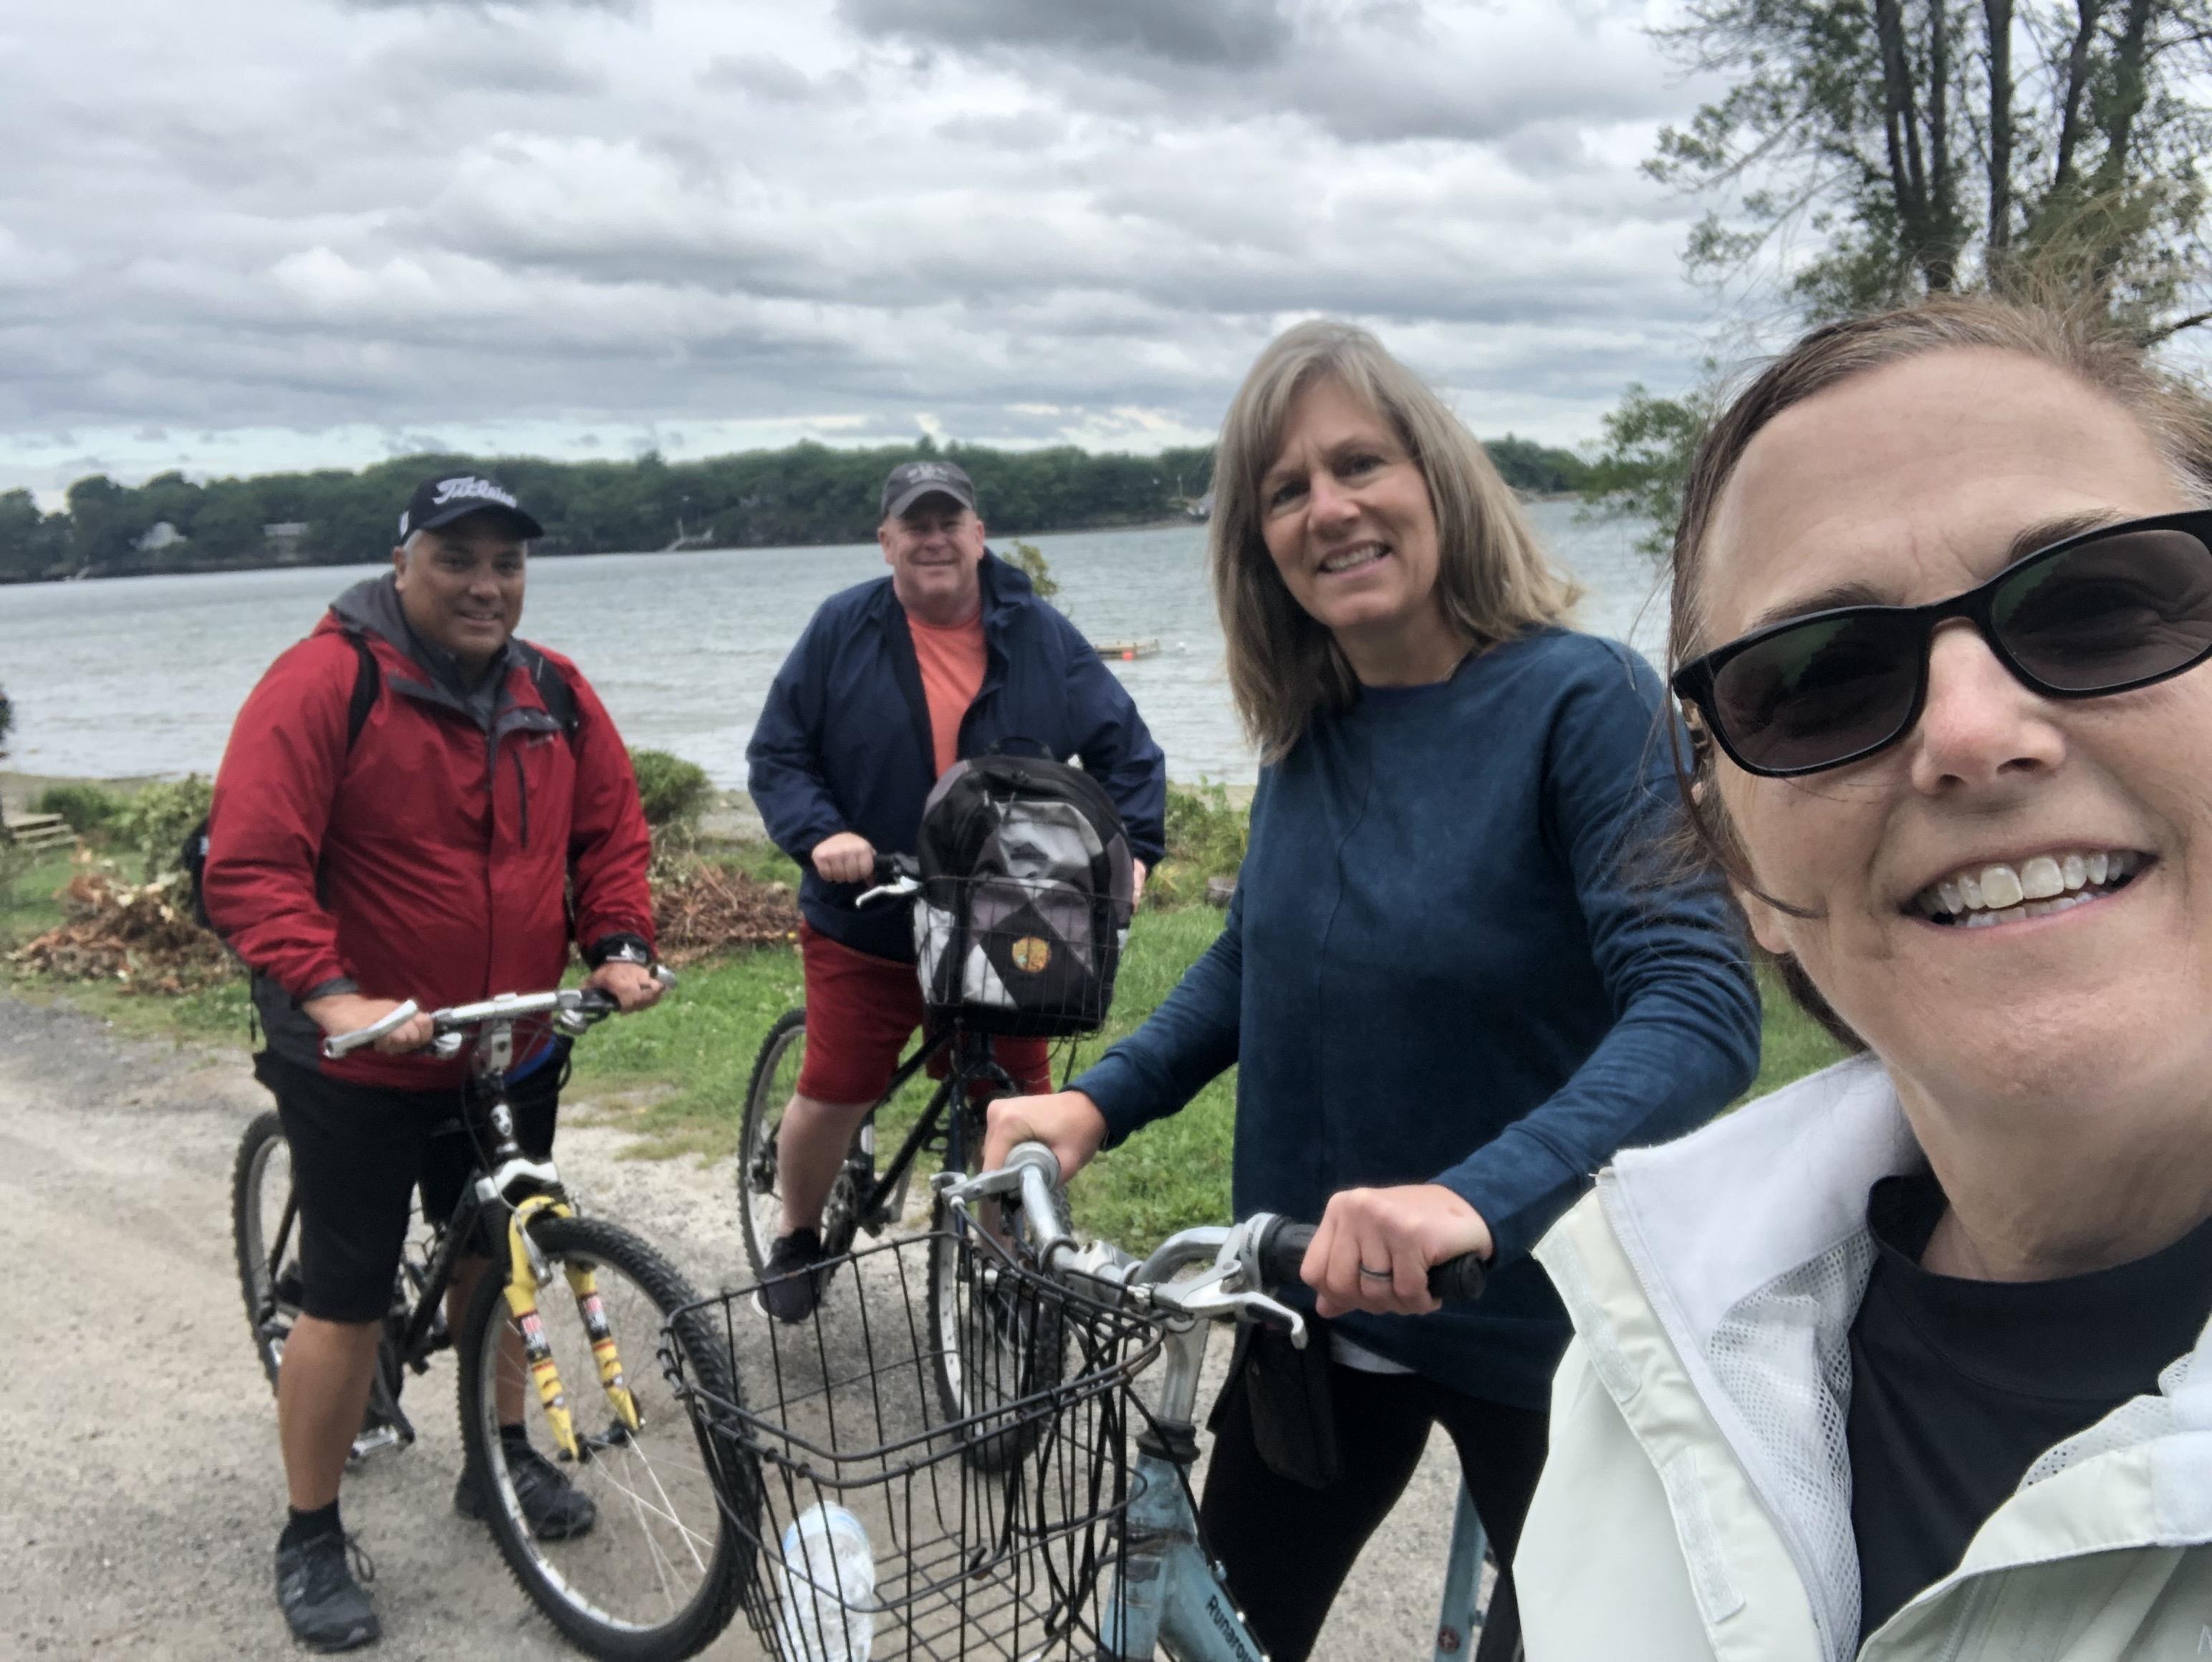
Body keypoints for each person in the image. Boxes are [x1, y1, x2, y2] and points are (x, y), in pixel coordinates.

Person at [984, 321, 1761, 1661]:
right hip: (1314, 1304)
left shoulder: (1583, 703)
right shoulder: (1313, 732)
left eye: (1359, 464)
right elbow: (1254, 958)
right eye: (1285, 490)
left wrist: (1473, 1200)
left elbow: (1699, 1005)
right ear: (1259, 545)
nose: (1327, 509)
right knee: (1215, 1635)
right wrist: (1096, 1105)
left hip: (1549, 1324)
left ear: (1437, 479)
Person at [1514, 294, 2212, 1658]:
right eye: (1820, 679)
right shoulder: (1643, 1352)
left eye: (2097, 606)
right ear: (1740, 871)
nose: (1970, 731)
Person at [203, 472, 663, 1653]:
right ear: (403, 562)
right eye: (457, 558)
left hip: (502, 1038)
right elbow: (252, 862)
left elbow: (609, 831)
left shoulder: (556, 691)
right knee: (349, 1293)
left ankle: (496, 1458)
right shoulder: (326, 681)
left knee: (498, 1258)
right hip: (358, 1053)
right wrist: (334, 991)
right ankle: (311, 1532)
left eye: (506, 563)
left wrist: (617, 943)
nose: (485, 585)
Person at [746, 458, 1168, 1319]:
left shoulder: (1039, 633)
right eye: (916, 525)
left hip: (1005, 918)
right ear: (886, 541)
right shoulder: (841, 629)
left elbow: (1127, 751)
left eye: (949, 523)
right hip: (871, 913)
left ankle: (1006, 1265)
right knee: (837, 1086)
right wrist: (823, 834)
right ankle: (796, 1233)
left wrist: (1134, 852)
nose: (933, 539)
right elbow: (780, 752)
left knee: (1015, 1104)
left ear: (979, 535)